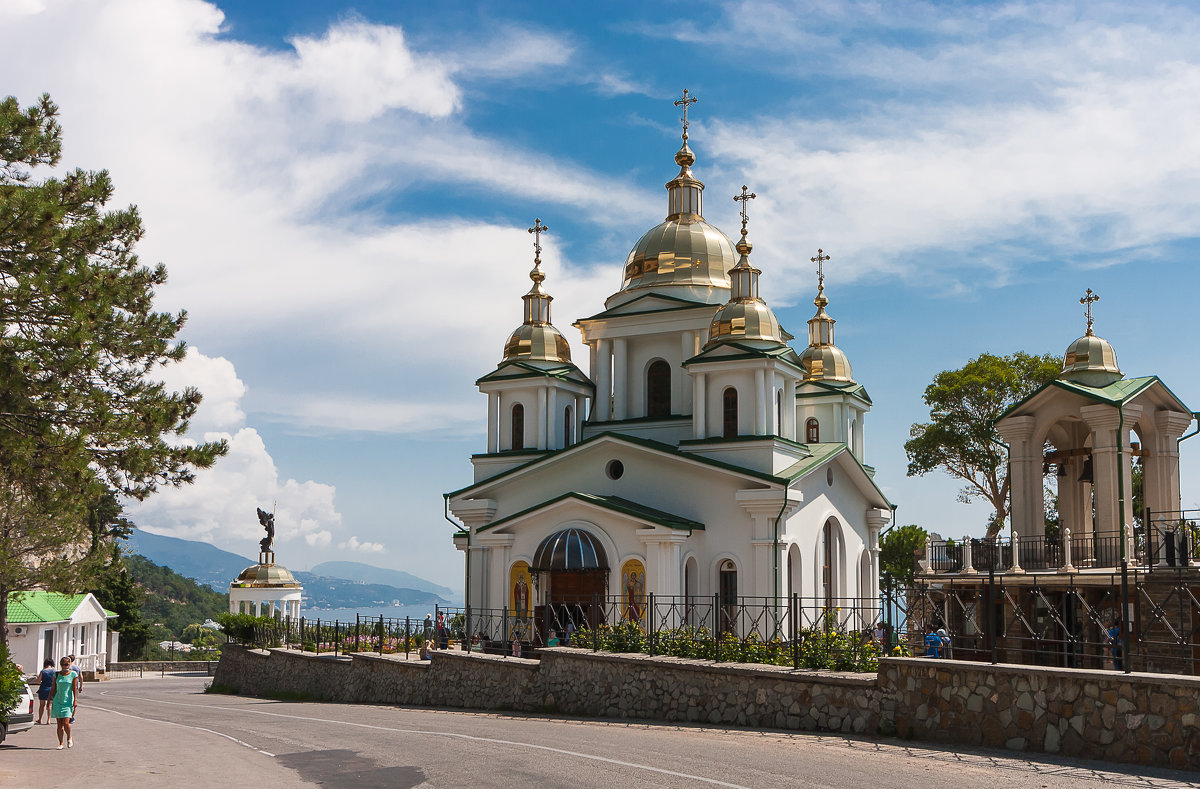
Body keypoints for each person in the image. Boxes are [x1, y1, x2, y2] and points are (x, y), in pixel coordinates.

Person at [50, 656, 76, 749]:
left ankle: (69, 737)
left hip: (68, 701)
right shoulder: (56, 675)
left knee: (66, 722)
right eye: (63, 664)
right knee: (59, 724)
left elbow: (74, 688)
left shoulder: (73, 674)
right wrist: (49, 698)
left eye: (66, 664)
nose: (64, 666)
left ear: (69, 664)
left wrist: (75, 701)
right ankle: (61, 743)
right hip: (58, 700)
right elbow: (53, 687)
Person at [36, 659, 55, 724]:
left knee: (42, 705)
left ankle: (40, 719)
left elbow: (38, 681)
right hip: (51, 689)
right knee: (49, 705)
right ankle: (48, 720)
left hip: (43, 688)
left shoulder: (43, 671)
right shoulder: (54, 671)